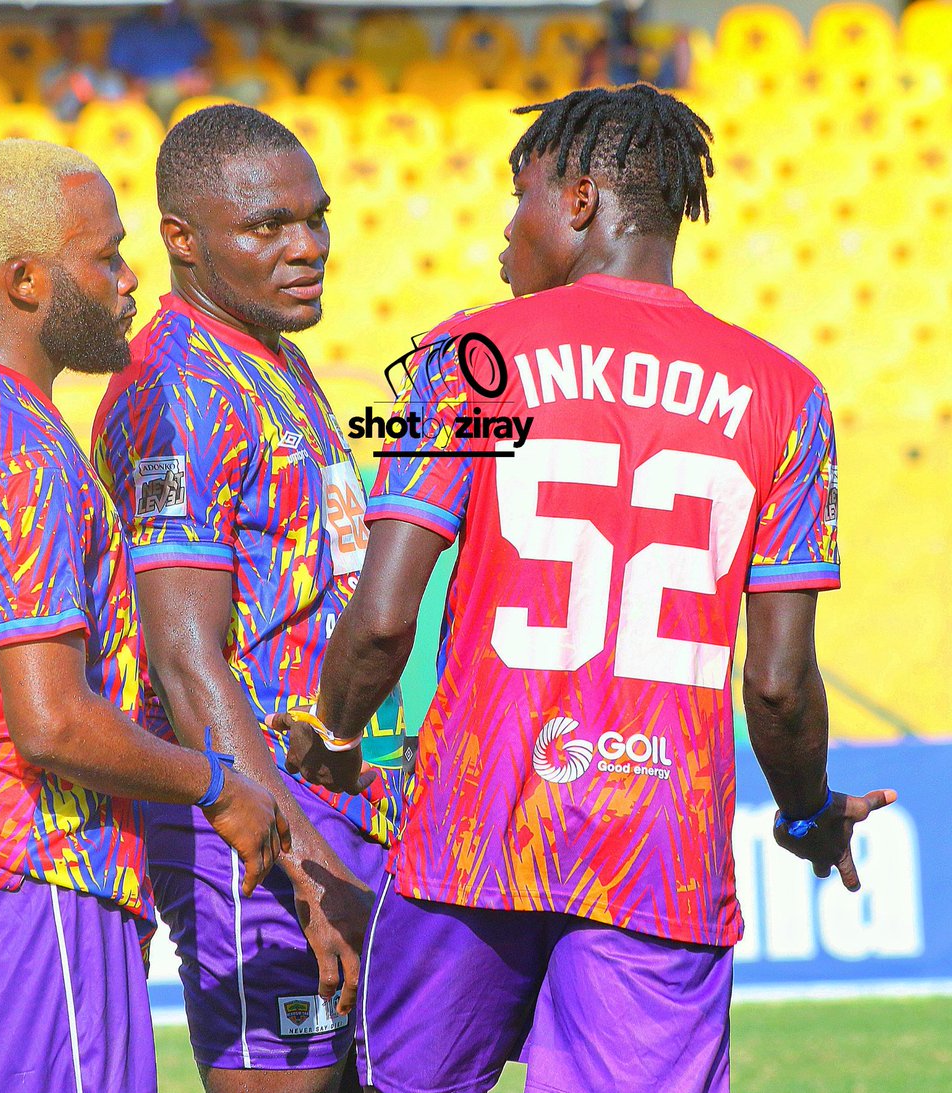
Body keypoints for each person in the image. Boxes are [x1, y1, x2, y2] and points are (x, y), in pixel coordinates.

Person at [280, 84, 897, 1093]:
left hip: (471, 835)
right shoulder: (789, 396)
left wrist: (336, 735)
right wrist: (807, 813)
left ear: (575, 199)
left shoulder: (471, 358)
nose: (501, 236)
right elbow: (780, 686)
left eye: (515, 197)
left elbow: (385, 618)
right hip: (658, 850)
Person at [0, 138, 289, 1092]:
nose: (132, 281)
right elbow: (49, 719)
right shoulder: (22, 446)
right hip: (25, 870)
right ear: (24, 280)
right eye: (104, 257)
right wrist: (216, 780)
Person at [91, 104, 402, 1093]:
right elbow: (188, 657)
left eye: (315, 218)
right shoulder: (174, 385)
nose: (306, 246)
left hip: (329, 806)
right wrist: (302, 864)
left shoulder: (279, 360)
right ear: (181, 239)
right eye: (267, 227)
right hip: (254, 831)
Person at [107, 2, 213, 119]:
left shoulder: (187, 26)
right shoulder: (129, 27)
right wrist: (132, 86)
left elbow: (204, 61)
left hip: (186, 88)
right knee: (164, 94)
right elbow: (118, 68)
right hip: (146, 90)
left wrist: (198, 77)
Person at [41, 18, 125, 123]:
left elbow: (115, 98)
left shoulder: (91, 66)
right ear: (55, 42)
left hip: (97, 122)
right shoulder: (50, 70)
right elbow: (48, 99)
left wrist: (91, 99)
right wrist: (71, 78)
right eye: (62, 40)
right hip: (65, 126)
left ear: (77, 39)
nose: (67, 44)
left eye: (70, 39)